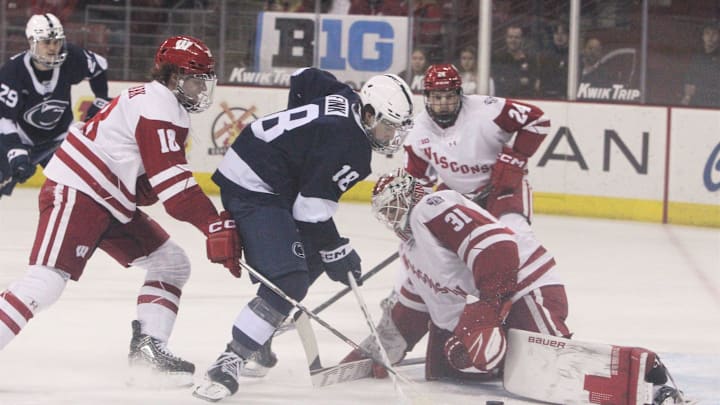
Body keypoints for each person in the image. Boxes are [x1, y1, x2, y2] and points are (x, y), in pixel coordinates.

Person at [0, 35, 242, 387]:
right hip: (79, 190)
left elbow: (151, 181)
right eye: (194, 78)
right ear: (173, 75)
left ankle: (149, 350)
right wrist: (214, 224)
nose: (199, 88)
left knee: (171, 263)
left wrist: (159, 196)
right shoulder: (158, 104)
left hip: (107, 199)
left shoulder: (162, 104)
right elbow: (176, 191)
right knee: (46, 281)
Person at [343, 169, 686, 405]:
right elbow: (409, 318)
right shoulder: (412, 251)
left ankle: (648, 380)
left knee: (551, 362)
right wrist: (365, 357)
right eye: (385, 211)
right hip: (496, 298)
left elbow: (498, 246)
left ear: (412, 195)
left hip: (526, 285)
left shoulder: (433, 206)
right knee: (456, 363)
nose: (392, 215)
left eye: (395, 204)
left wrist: (487, 310)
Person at [192, 67, 415, 402]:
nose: (392, 135)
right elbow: (310, 213)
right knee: (291, 282)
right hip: (253, 186)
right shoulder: (351, 148)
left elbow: (305, 77)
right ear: (368, 113)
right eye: (388, 124)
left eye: (398, 127)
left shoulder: (344, 97)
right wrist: (339, 251)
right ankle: (231, 360)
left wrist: (297, 153)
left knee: (312, 259)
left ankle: (262, 335)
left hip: (257, 164)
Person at [0, 13, 110, 198]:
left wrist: (101, 98)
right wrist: (15, 152)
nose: (53, 48)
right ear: (31, 41)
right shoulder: (13, 72)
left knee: (83, 191)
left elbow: (100, 66)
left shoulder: (72, 58)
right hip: (23, 139)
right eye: (46, 42)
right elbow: (4, 119)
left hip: (59, 140)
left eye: (56, 42)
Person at [491, 24, 539, 98]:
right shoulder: (498, 59)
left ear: (521, 39)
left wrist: (511, 81)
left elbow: (533, 84)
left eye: (516, 37)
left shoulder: (530, 60)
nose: (513, 40)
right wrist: (519, 81)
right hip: (505, 100)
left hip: (525, 100)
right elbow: (499, 83)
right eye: (510, 37)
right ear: (506, 39)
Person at [680, 21, 720, 107]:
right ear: (703, 36)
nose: (711, 37)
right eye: (707, 33)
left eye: (714, 34)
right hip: (698, 102)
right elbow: (690, 79)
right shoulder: (697, 58)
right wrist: (687, 97)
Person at [538, 22, 569, 99]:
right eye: (556, 33)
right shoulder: (545, 56)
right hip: (546, 96)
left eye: (563, 33)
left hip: (564, 97)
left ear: (568, 36)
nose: (559, 37)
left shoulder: (572, 56)